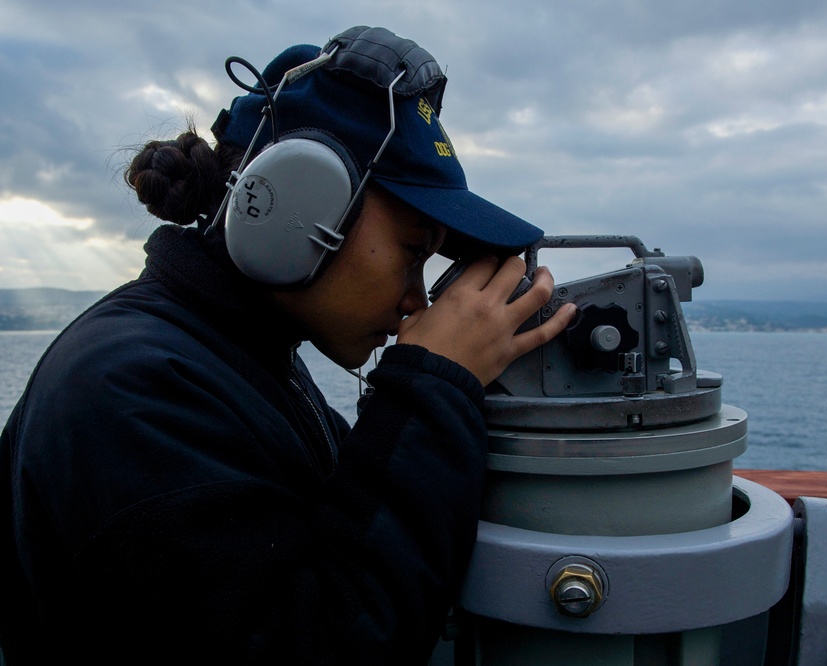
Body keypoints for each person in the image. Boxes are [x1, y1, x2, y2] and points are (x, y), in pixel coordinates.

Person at [0, 26, 575, 664]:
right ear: (299, 206)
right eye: (415, 252)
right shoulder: (129, 394)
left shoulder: (236, 362)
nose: (418, 299)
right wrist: (432, 385)